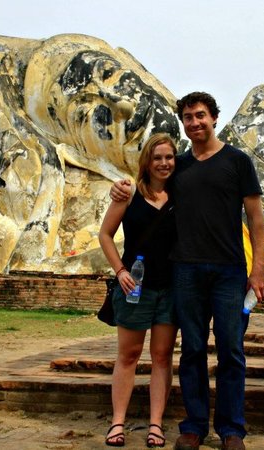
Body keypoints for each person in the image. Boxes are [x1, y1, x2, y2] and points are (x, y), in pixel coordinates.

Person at [111, 92, 264, 450]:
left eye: (200, 115)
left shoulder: (237, 161)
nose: (194, 122)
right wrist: (117, 188)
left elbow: (257, 221)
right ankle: (194, 425)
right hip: (185, 270)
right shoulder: (179, 165)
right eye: (188, 117)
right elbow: (146, 182)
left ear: (214, 118)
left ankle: (231, 430)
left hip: (229, 270)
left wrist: (258, 270)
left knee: (231, 349)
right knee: (193, 349)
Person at [98, 133, 179, 448]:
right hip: (135, 287)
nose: (163, 163)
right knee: (129, 354)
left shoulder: (181, 195)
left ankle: (156, 424)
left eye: (169, 158)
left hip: (170, 288)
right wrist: (119, 270)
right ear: (147, 160)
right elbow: (105, 234)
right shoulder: (129, 194)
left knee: (162, 357)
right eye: (157, 157)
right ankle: (118, 421)